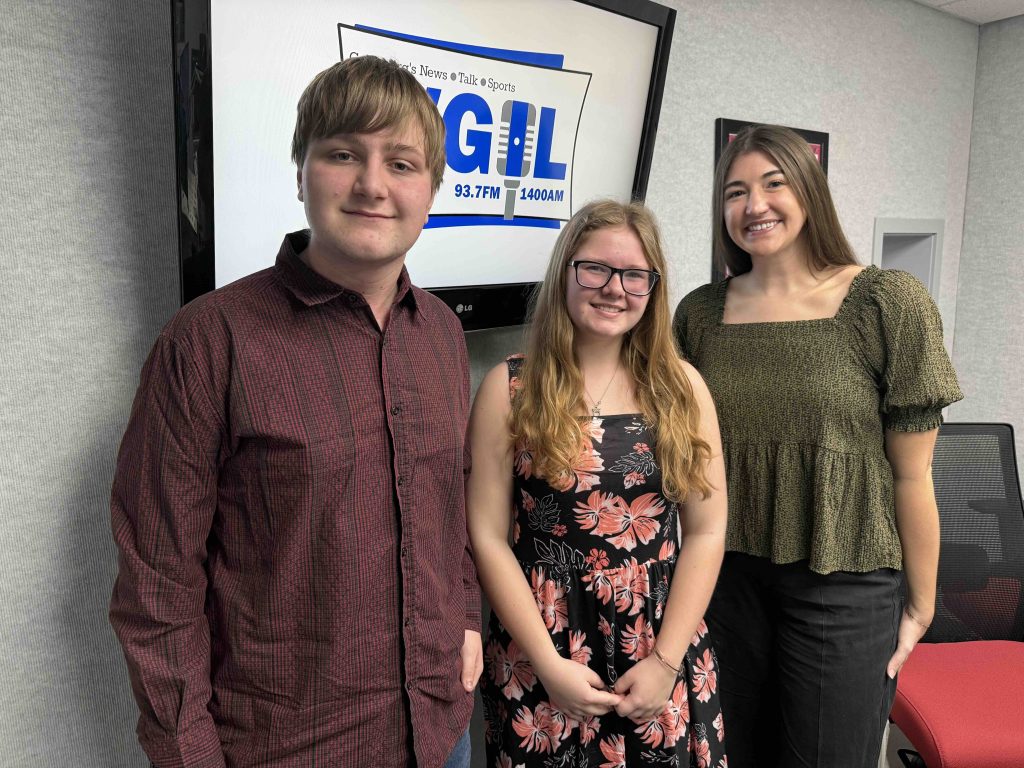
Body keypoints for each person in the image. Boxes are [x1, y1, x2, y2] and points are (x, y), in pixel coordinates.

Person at [108, 56, 482, 767]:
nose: (373, 184)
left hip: (440, 730)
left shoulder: (439, 331)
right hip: (289, 747)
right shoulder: (209, 340)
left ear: (432, 189)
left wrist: (464, 614)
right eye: (343, 154)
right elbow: (158, 584)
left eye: (401, 163)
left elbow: (447, 506)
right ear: (302, 171)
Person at [673, 124, 964, 768]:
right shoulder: (699, 313)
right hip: (726, 583)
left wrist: (922, 602)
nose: (755, 206)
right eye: (735, 192)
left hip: (847, 580)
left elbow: (913, 477)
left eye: (773, 184)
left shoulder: (886, 302)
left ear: (809, 191)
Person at [468, 200, 729, 767]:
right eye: (596, 269)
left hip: (659, 645)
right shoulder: (510, 386)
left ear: (652, 287)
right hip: (542, 647)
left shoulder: (682, 387)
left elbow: (707, 532)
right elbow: (486, 536)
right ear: (565, 271)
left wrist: (664, 663)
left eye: (635, 275)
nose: (615, 288)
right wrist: (546, 663)